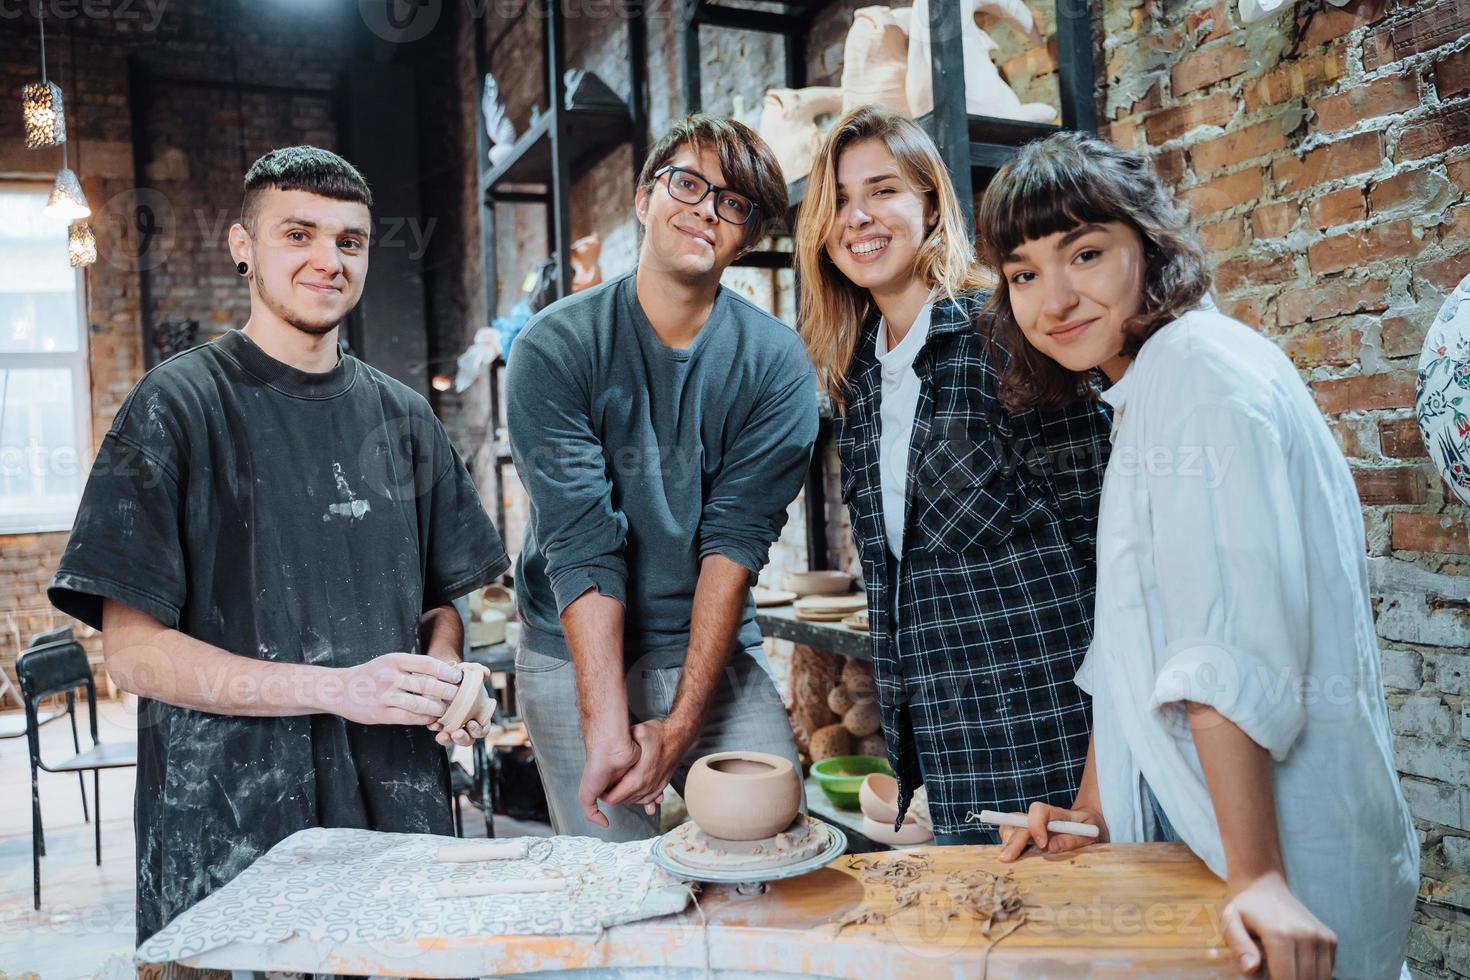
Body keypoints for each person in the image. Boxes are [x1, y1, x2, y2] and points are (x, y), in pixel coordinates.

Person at [983, 131, 1418, 980]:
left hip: (1281, 870)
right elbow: (1134, 649)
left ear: (1149, 245)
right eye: (1024, 273)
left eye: (1087, 252)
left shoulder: (1198, 374)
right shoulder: (1148, 389)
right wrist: (1090, 815)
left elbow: (1224, 652)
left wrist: (1259, 875)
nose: (1056, 298)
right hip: (1211, 857)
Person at [47, 146, 509, 944]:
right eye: (298, 234)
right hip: (229, 824)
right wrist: (335, 689)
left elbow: (441, 603)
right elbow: (132, 656)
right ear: (242, 247)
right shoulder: (177, 407)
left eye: (350, 241)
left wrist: (442, 671)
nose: (328, 261)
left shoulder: (404, 418)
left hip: (396, 805)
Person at [794, 105, 1111, 843]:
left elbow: (1112, 545)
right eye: (839, 199)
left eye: (883, 190)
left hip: (1056, 738)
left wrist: (1107, 763)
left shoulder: (1005, 337)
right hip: (944, 746)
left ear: (931, 204)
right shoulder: (858, 381)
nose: (859, 216)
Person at [505, 114, 818, 840]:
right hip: (570, 646)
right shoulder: (556, 346)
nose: (705, 208)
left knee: (769, 850)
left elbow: (734, 542)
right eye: (687, 183)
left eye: (732, 203)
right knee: (613, 889)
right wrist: (607, 723)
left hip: (706, 645)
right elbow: (582, 543)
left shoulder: (775, 364)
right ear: (644, 199)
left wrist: (679, 728)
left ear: (744, 238)